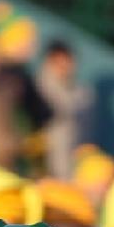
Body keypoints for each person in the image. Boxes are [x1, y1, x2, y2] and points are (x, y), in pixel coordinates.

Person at [36, 39, 91, 181]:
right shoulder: (37, 89)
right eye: (60, 60)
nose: (65, 65)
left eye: (67, 60)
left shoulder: (79, 92)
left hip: (73, 163)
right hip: (46, 164)